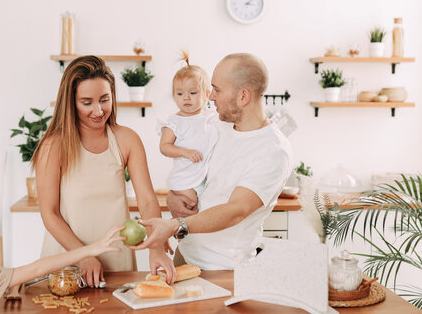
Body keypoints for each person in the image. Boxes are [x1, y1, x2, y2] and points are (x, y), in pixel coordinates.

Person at [132, 53, 294, 270]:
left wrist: (174, 225)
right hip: (186, 257)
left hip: (224, 270)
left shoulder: (273, 150)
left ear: (243, 97)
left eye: (217, 90)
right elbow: (196, 177)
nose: (211, 97)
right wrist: (173, 197)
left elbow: (236, 210)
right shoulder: (217, 127)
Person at [31, 55, 175, 286]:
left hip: (116, 258)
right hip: (66, 260)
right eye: (87, 103)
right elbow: (50, 213)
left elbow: (147, 200)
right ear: (71, 103)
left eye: (104, 99)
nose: (98, 111)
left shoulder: (127, 140)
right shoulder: (54, 146)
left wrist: (156, 247)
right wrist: (85, 255)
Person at [157, 51, 218, 206]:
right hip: (184, 181)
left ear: (206, 94)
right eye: (179, 93)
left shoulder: (211, 116)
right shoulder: (175, 122)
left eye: (192, 92)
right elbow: (164, 147)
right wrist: (185, 152)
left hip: (205, 177)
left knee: (205, 209)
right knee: (191, 207)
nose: (186, 97)